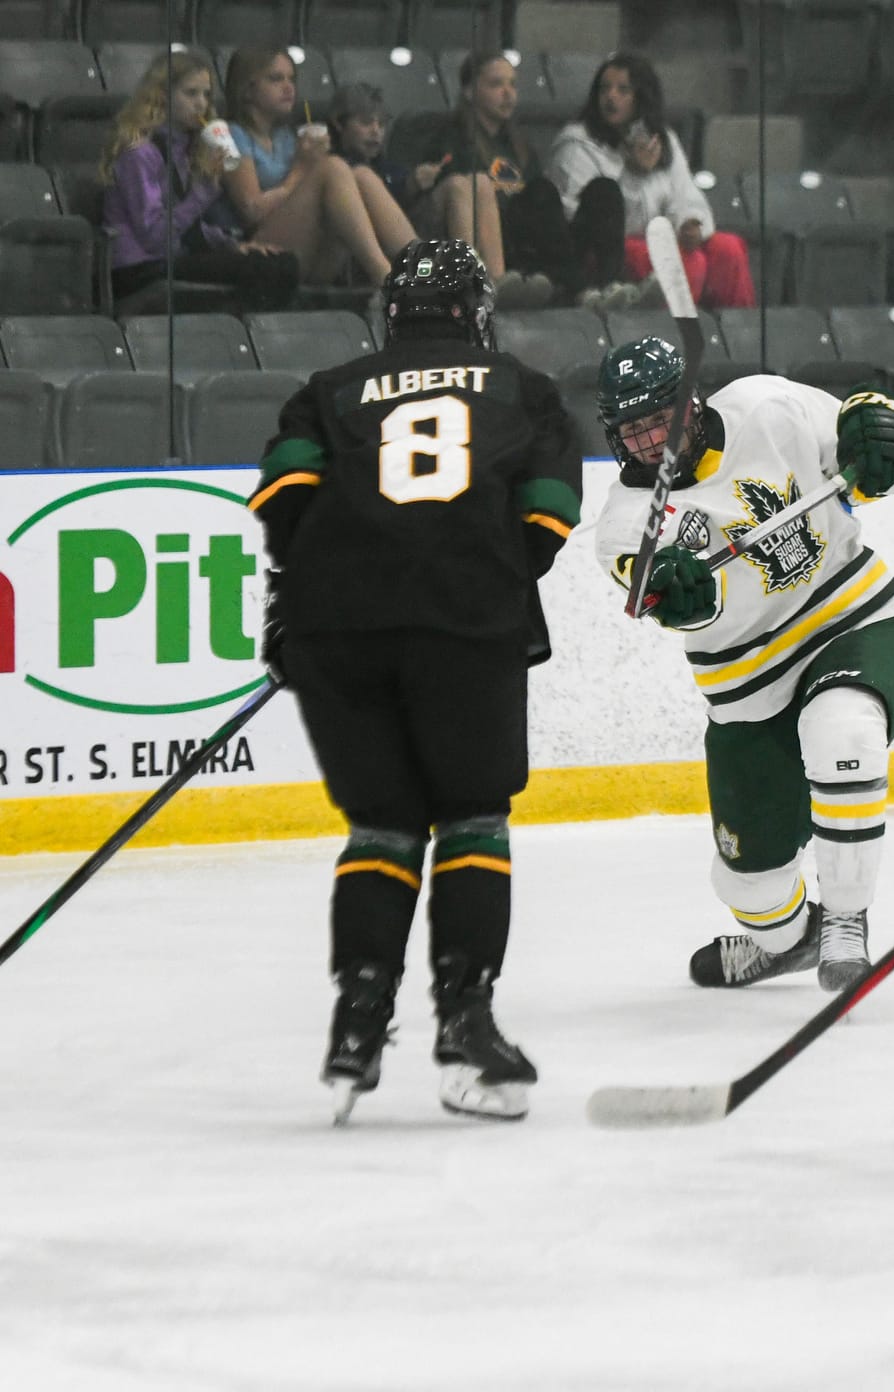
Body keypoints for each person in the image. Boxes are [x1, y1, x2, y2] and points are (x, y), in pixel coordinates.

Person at [248, 238, 582, 1124]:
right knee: (471, 816)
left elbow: (285, 495)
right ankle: (465, 1018)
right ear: (476, 314)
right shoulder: (522, 388)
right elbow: (548, 514)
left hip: (335, 631)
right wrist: (487, 576)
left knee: (383, 825)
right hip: (464, 623)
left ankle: (357, 1022)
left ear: (391, 316)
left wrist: (298, 604)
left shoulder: (328, 389)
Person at [591, 339, 894, 992]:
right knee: (748, 886)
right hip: (747, 686)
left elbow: (888, 454)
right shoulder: (626, 524)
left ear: (690, 404)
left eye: (660, 419)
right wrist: (683, 595)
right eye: (633, 430)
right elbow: (687, 606)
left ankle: (845, 920)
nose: (651, 441)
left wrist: (889, 449)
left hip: (851, 620)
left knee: (844, 731)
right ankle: (789, 942)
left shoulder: (767, 405)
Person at [546, 52, 755, 312]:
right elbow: (586, 225)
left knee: (728, 249)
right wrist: (633, 175)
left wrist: (689, 222)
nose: (611, 97)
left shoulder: (662, 139)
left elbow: (685, 193)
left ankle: (738, 331)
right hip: (608, 251)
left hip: (661, 238)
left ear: (642, 97)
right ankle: (679, 331)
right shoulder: (577, 145)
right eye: (604, 89)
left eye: (623, 90)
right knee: (686, 260)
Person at [100, 49, 299, 310]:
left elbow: (191, 229)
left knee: (282, 262)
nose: (201, 104)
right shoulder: (139, 153)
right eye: (191, 93)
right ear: (163, 95)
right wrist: (203, 193)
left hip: (172, 257)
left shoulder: (186, 149)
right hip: (139, 266)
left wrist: (231, 245)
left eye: (206, 94)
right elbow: (154, 237)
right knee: (258, 269)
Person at [219, 46, 417, 287]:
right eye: (276, 79)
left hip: (308, 248)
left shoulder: (286, 137)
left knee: (362, 174)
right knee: (332, 167)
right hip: (261, 251)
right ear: (247, 89)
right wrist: (301, 171)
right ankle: (385, 279)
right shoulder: (231, 135)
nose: (288, 87)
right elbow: (251, 213)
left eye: (291, 79)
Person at [415, 51, 590, 306]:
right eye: (496, 84)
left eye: (513, 84)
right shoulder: (452, 139)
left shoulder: (519, 145)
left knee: (544, 191)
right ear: (469, 92)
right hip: (477, 238)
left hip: (517, 239)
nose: (508, 93)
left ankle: (576, 287)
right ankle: (491, 282)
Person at [328, 81, 436, 215]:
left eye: (381, 124)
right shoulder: (330, 168)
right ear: (339, 123)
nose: (376, 131)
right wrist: (407, 188)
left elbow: (397, 179)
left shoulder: (385, 166)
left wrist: (413, 183)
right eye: (366, 122)